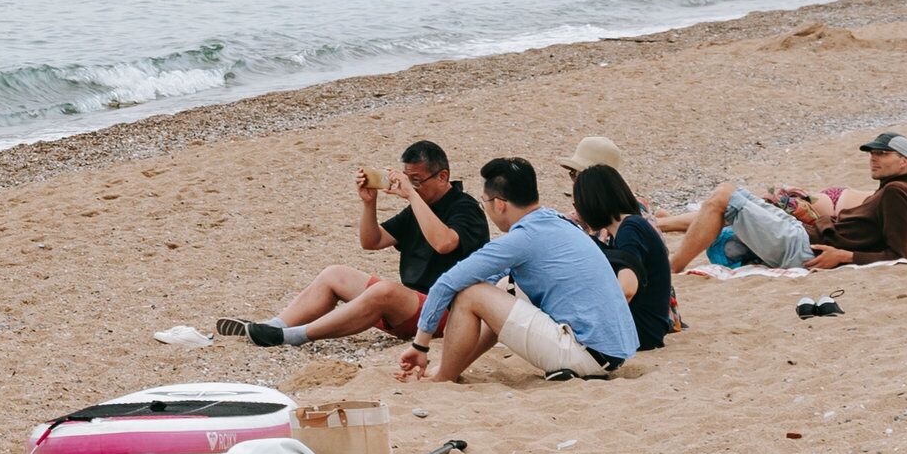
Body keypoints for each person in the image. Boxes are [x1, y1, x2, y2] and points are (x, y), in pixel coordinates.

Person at [224, 139, 490, 347]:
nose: (412, 186)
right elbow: (372, 242)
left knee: (385, 290)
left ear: (442, 177)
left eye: (417, 180)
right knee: (334, 274)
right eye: (409, 179)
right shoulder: (419, 207)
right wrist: (369, 203)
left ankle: (293, 336)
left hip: (448, 313)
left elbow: (444, 244)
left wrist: (411, 195)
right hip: (410, 306)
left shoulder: (465, 208)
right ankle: (274, 325)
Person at [397, 158, 637, 384]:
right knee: (502, 286)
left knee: (471, 294)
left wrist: (420, 346)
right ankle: (447, 370)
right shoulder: (554, 220)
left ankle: (442, 379)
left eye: (485, 202)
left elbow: (447, 283)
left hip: (586, 355)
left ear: (499, 204)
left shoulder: (524, 237)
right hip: (611, 351)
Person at [668, 133, 907, 272]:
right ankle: (663, 230)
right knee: (733, 196)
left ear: (904, 161)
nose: (873, 159)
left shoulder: (896, 192)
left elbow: (898, 254)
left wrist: (844, 256)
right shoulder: (894, 190)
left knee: (725, 196)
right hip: (802, 237)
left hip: (802, 247)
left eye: (882, 154)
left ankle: (673, 266)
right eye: (872, 154)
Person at [571, 160, 675, 355]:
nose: (577, 211)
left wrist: (595, 320)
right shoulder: (623, 230)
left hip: (641, 332)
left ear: (593, 202)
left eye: (578, 203)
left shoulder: (630, 229)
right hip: (647, 329)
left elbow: (627, 289)